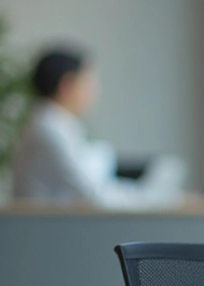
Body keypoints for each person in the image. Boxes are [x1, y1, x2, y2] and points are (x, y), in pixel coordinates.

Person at [10, 48, 185, 209]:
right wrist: (163, 199)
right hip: (43, 231)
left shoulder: (55, 125)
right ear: (67, 84)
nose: (95, 92)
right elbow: (94, 193)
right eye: (89, 82)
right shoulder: (48, 129)